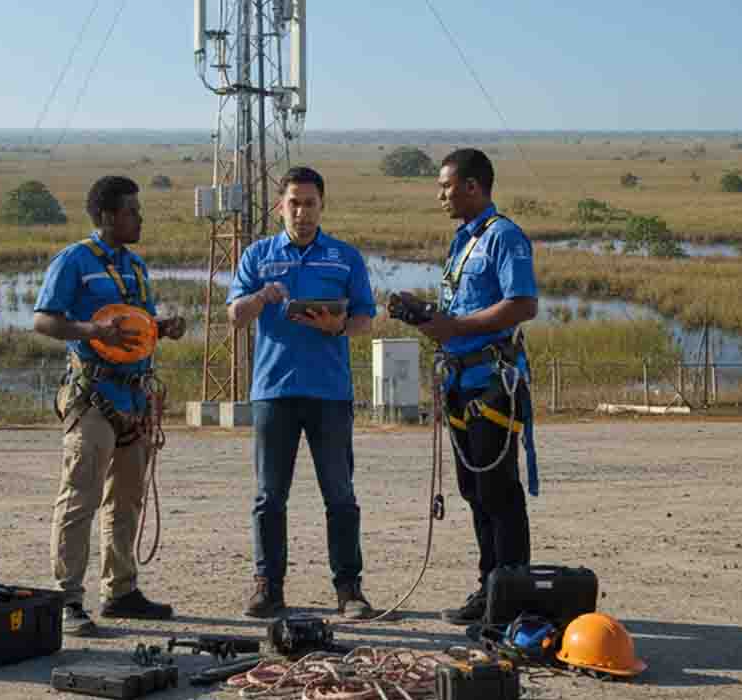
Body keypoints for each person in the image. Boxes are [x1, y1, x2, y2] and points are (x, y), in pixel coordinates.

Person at [33, 175, 187, 636]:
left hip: (134, 397)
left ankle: (120, 591)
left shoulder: (136, 266)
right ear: (107, 216)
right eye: (132, 211)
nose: (140, 218)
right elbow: (44, 320)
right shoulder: (75, 261)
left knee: (126, 500)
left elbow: (134, 326)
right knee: (80, 498)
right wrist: (93, 333)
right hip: (93, 398)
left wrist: (162, 328)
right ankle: (68, 600)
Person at [395, 148, 539, 625]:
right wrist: (428, 315)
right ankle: (489, 586)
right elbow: (460, 309)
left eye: (446, 186)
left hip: (491, 383)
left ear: (473, 186)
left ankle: (512, 596)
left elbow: (521, 305)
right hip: (460, 382)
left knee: (499, 492)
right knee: (474, 492)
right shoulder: (463, 241)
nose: (440, 194)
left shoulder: (504, 237)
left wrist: (455, 327)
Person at [227, 166, 377, 620]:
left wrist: (337, 327)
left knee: (340, 494)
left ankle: (349, 589)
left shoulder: (345, 258)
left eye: (310, 203)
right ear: (280, 206)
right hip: (274, 392)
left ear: (322, 206)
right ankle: (267, 587)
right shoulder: (258, 256)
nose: (302, 212)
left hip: (330, 394)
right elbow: (235, 315)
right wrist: (261, 299)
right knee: (269, 495)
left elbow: (366, 319)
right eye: (294, 203)